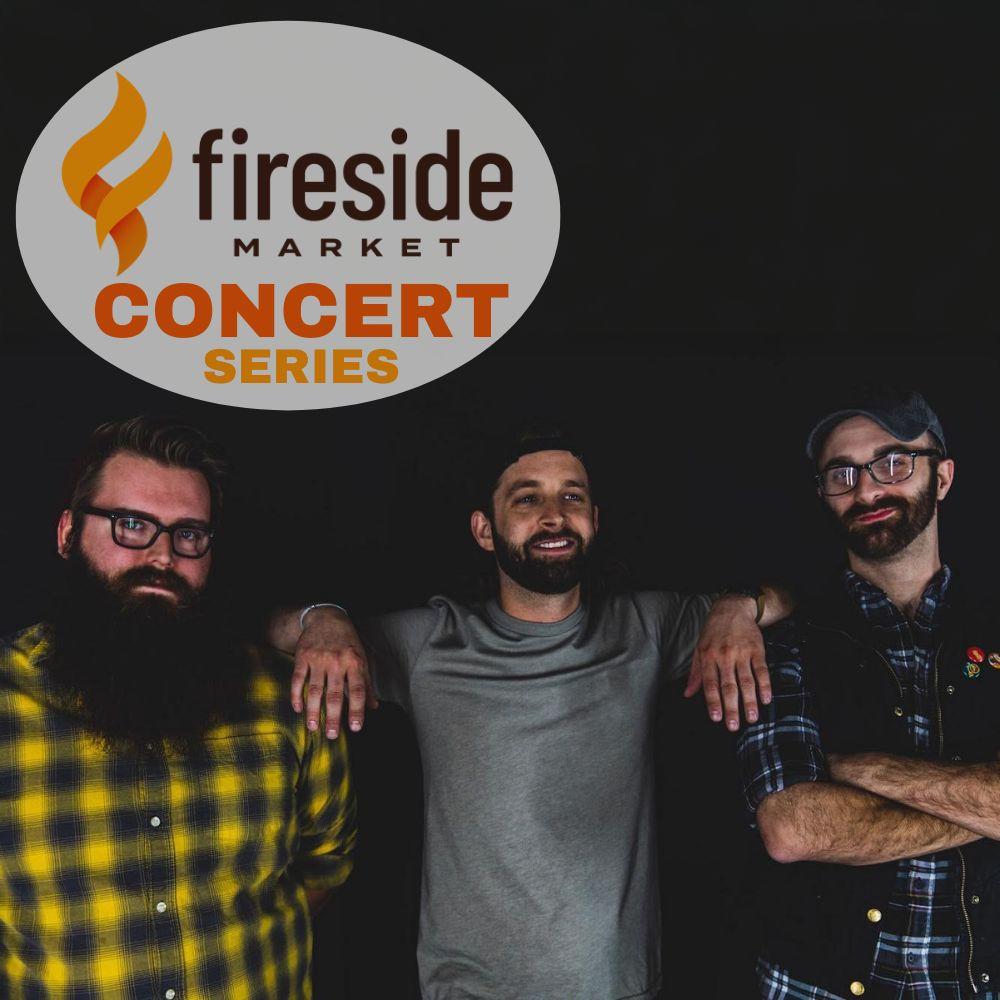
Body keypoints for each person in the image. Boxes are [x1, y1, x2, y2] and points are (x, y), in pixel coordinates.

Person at [270, 428, 788, 1000]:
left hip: (615, 986)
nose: (553, 516)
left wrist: (739, 606)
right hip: (468, 989)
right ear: (484, 531)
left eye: (572, 497)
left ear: (595, 517)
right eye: (527, 498)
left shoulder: (646, 626)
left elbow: (795, 594)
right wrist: (323, 617)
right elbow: (268, 629)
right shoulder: (432, 642)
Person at [0, 417, 357, 999]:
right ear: (67, 533)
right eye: (131, 525)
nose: (162, 557)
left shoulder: (288, 694)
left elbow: (326, 862)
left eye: (189, 534)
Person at [738, 390, 1000, 1000]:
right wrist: (984, 809)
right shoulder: (785, 643)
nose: (867, 490)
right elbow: (795, 827)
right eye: (843, 474)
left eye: (894, 462)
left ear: (944, 476)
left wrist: (869, 771)